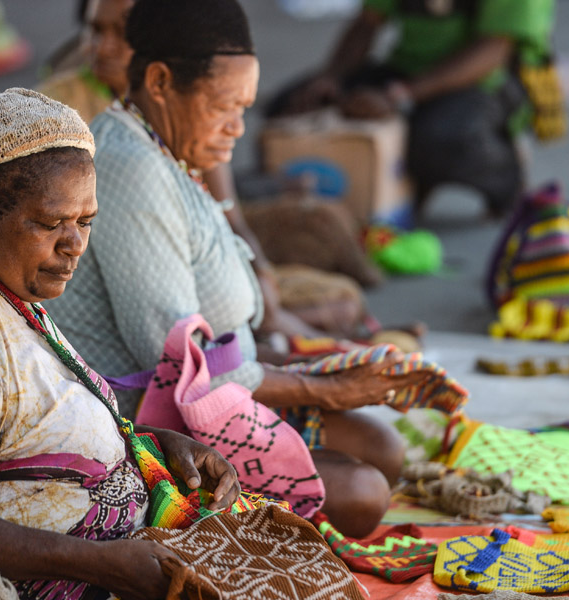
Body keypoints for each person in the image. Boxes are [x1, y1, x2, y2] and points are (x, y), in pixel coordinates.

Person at [49, 0, 457, 538]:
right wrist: (325, 388)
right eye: (225, 107)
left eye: (245, 107)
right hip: (146, 423)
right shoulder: (131, 169)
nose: (238, 129)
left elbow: (223, 338)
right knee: (363, 494)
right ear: (161, 80)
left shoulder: (166, 152)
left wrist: (327, 365)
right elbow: (180, 366)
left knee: (384, 449)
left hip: (200, 396)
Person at [0, 87, 243, 599]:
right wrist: (104, 566)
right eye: (51, 223)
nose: (73, 246)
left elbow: (25, 429)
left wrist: (149, 443)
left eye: (85, 222)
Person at [38, 0, 400, 354]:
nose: (107, 47)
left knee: (325, 252)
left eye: (125, 31)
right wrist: (324, 375)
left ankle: (306, 334)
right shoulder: (120, 152)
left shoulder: (169, 127)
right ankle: (304, 334)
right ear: (160, 79)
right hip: (157, 387)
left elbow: (224, 214)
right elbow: (178, 361)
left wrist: (322, 355)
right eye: (98, 30)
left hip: (200, 339)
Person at [267, 0, 557, 217]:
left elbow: (494, 49)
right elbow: (368, 22)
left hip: (490, 80)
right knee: (290, 107)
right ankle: (398, 183)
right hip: (407, 69)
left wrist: (399, 97)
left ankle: (504, 175)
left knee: (438, 139)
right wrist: (332, 76)